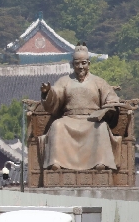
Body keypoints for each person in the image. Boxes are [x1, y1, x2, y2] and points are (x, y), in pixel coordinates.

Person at [39, 43, 122, 171]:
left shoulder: (98, 81)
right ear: (73, 65)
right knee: (57, 125)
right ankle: (56, 163)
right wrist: (47, 92)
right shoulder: (64, 81)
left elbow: (111, 99)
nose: (80, 67)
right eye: (77, 63)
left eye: (83, 63)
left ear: (88, 63)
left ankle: (100, 162)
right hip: (69, 119)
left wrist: (107, 109)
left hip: (92, 120)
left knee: (101, 127)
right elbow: (56, 95)